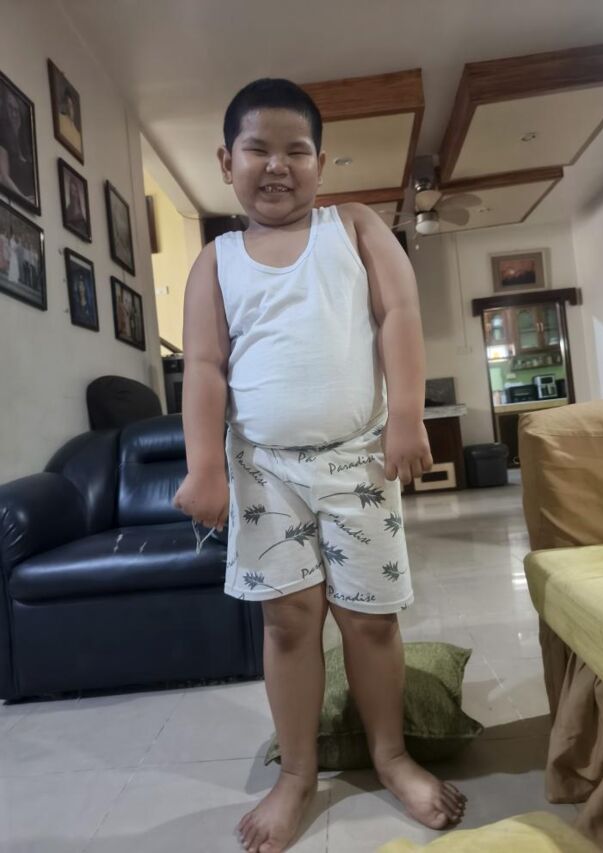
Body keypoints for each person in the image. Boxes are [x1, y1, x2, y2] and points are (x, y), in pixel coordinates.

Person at [173, 78, 467, 853]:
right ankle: (298, 772)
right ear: (226, 162)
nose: (277, 165)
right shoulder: (215, 261)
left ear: (321, 163)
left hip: (358, 461)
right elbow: (202, 368)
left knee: (370, 618)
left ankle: (391, 754)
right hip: (264, 472)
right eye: (257, 149)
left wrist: (407, 416)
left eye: (296, 150)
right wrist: (204, 467)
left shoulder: (357, 227)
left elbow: (400, 314)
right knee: (289, 620)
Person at [0, 88, 36, 203]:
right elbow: (3, 177)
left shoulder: (27, 147)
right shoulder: (3, 141)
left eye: (16, 109)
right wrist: (24, 199)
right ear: (5, 110)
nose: (14, 114)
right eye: (10, 108)